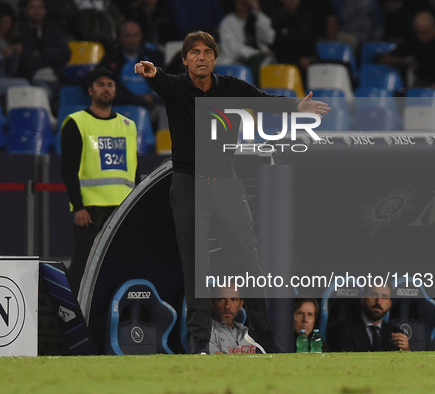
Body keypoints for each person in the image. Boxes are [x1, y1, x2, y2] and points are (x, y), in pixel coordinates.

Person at [134, 31, 329, 354]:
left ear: (214, 58)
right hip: (188, 183)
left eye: (207, 52)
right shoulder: (177, 87)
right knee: (196, 265)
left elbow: (264, 102)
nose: (201, 57)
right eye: (194, 52)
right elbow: (161, 80)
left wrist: (298, 105)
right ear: (185, 60)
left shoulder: (232, 88)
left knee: (249, 262)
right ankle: (199, 340)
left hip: (226, 181)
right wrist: (152, 73)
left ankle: (263, 333)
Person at [61, 67, 138, 295]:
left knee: (122, 264)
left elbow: (134, 170)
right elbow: (68, 169)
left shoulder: (128, 125)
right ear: (90, 91)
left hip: (122, 208)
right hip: (91, 211)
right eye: (101, 84)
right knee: (83, 264)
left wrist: (134, 205)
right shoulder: (77, 122)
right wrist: (78, 206)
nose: (106, 89)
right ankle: (73, 310)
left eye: (110, 84)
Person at [380, 11, 435, 95]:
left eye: (425, 32)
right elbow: (386, 58)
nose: (421, 36)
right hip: (423, 81)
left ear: (434, 27)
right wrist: (405, 61)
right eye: (418, 32)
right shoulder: (413, 40)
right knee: (411, 95)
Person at [327, 285, 410, 352]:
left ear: (390, 304)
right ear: (363, 299)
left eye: (384, 297)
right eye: (373, 295)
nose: (378, 302)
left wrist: (406, 351)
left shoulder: (396, 335)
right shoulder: (342, 330)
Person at [17, 0, 72, 100]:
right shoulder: (19, 32)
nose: (37, 11)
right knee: (45, 94)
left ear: (45, 10)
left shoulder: (52, 30)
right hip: (33, 79)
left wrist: (42, 53)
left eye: (40, 7)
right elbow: (27, 62)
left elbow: (66, 54)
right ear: (25, 10)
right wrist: (53, 54)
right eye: (32, 7)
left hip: (57, 77)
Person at [217, 0, 276, 80]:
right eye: (241, 2)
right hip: (235, 62)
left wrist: (258, 12)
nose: (243, 5)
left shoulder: (257, 19)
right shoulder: (227, 22)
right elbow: (233, 50)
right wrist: (256, 53)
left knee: (268, 62)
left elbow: (269, 39)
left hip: (260, 61)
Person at [209, 287, 264, 354]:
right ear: (212, 303)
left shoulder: (250, 333)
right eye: (222, 299)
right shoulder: (206, 334)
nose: (228, 306)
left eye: (234, 299)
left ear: (241, 304)